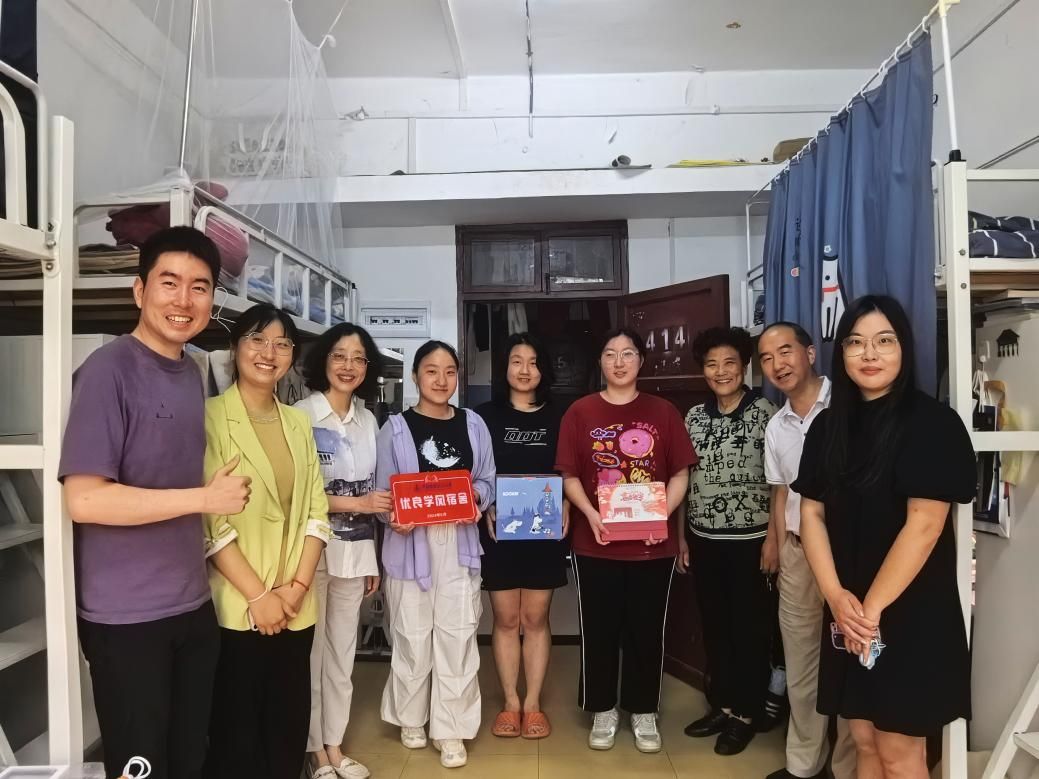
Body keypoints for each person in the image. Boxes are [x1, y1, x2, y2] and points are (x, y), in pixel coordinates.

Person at [60, 227, 247, 779]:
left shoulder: (192, 372)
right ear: (140, 291)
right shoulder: (108, 372)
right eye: (169, 283)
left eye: (199, 287)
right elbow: (85, 499)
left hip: (191, 605)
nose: (183, 300)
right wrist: (206, 498)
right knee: (141, 767)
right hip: (126, 617)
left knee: (189, 759)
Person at [793, 295, 976, 779]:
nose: (869, 354)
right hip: (849, 607)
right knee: (863, 740)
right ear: (841, 353)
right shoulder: (828, 426)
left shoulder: (932, 423)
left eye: (884, 341)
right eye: (856, 343)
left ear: (904, 349)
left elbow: (925, 525)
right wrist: (836, 597)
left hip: (909, 610)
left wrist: (869, 612)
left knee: (898, 750)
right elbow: (811, 514)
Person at [202, 304, 331, 779]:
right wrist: (260, 597)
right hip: (240, 606)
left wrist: (295, 589)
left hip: (296, 605)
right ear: (234, 348)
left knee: (287, 726)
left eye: (281, 344)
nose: (268, 353)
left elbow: (316, 511)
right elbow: (212, 523)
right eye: (257, 340)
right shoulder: (211, 417)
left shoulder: (297, 422)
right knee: (236, 733)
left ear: (292, 355)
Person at [555, 327, 697, 754]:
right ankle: (602, 708)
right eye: (610, 353)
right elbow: (569, 475)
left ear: (641, 360)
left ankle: (643, 709)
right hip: (594, 542)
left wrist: (659, 515)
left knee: (647, 630)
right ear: (600, 361)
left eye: (628, 353)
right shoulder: (580, 412)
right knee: (598, 629)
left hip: (652, 545)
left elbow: (680, 473)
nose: (619, 362)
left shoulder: (664, 412)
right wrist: (591, 513)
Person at [376, 340, 496, 769]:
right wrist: (394, 516)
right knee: (410, 634)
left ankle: (451, 729)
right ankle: (410, 717)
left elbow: (487, 479)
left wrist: (473, 499)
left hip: (458, 541)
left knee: (457, 635)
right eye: (431, 370)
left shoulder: (473, 424)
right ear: (415, 377)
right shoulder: (395, 429)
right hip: (410, 542)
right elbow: (383, 492)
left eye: (449, 371)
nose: (441, 380)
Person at [757, 321, 856, 779]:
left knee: (852, 661)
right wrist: (777, 546)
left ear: (810, 353)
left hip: (847, 554)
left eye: (785, 351)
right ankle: (803, 764)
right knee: (800, 663)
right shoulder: (776, 426)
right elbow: (781, 492)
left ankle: (848, 767)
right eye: (766, 358)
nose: (777, 364)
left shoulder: (848, 406)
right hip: (797, 551)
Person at [295, 323, 389, 779]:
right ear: (323, 361)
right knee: (311, 654)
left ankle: (334, 744)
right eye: (340, 355)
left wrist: (373, 558)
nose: (349, 366)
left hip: (355, 553)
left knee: (342, 654)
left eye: (358, 358)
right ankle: (314, 749)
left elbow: (375, 492)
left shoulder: (368, 421)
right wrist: (358, 505)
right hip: (310, 554)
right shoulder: (301, 416)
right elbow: (297, 492)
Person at [681, 326, 777, 756]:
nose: (721, 372)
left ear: (745, 366)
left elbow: (781, 485)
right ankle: (722, 705)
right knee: (716, 626)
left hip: (752, 541)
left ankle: (746, 714)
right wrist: (682, 538)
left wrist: (773, 541)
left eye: (729, 363)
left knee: (750, 629)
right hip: (704, 539)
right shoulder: (694, 417)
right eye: (712, 364)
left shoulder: (767, 413)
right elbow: (684, 479)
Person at [475, 332, 569, 741]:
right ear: (505, 368)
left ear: (542, 370)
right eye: (517, 361)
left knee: (535, 618)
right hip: (499, 529)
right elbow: (475, 471)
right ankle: (510, 703)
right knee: (506, 619)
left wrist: (567, 501)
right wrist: (487, 504)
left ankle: (532, 704)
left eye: (533, 362)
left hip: (545, 531)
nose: (525, 370)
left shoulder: (561, 416)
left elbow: (572, 468)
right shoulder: (482, 417)